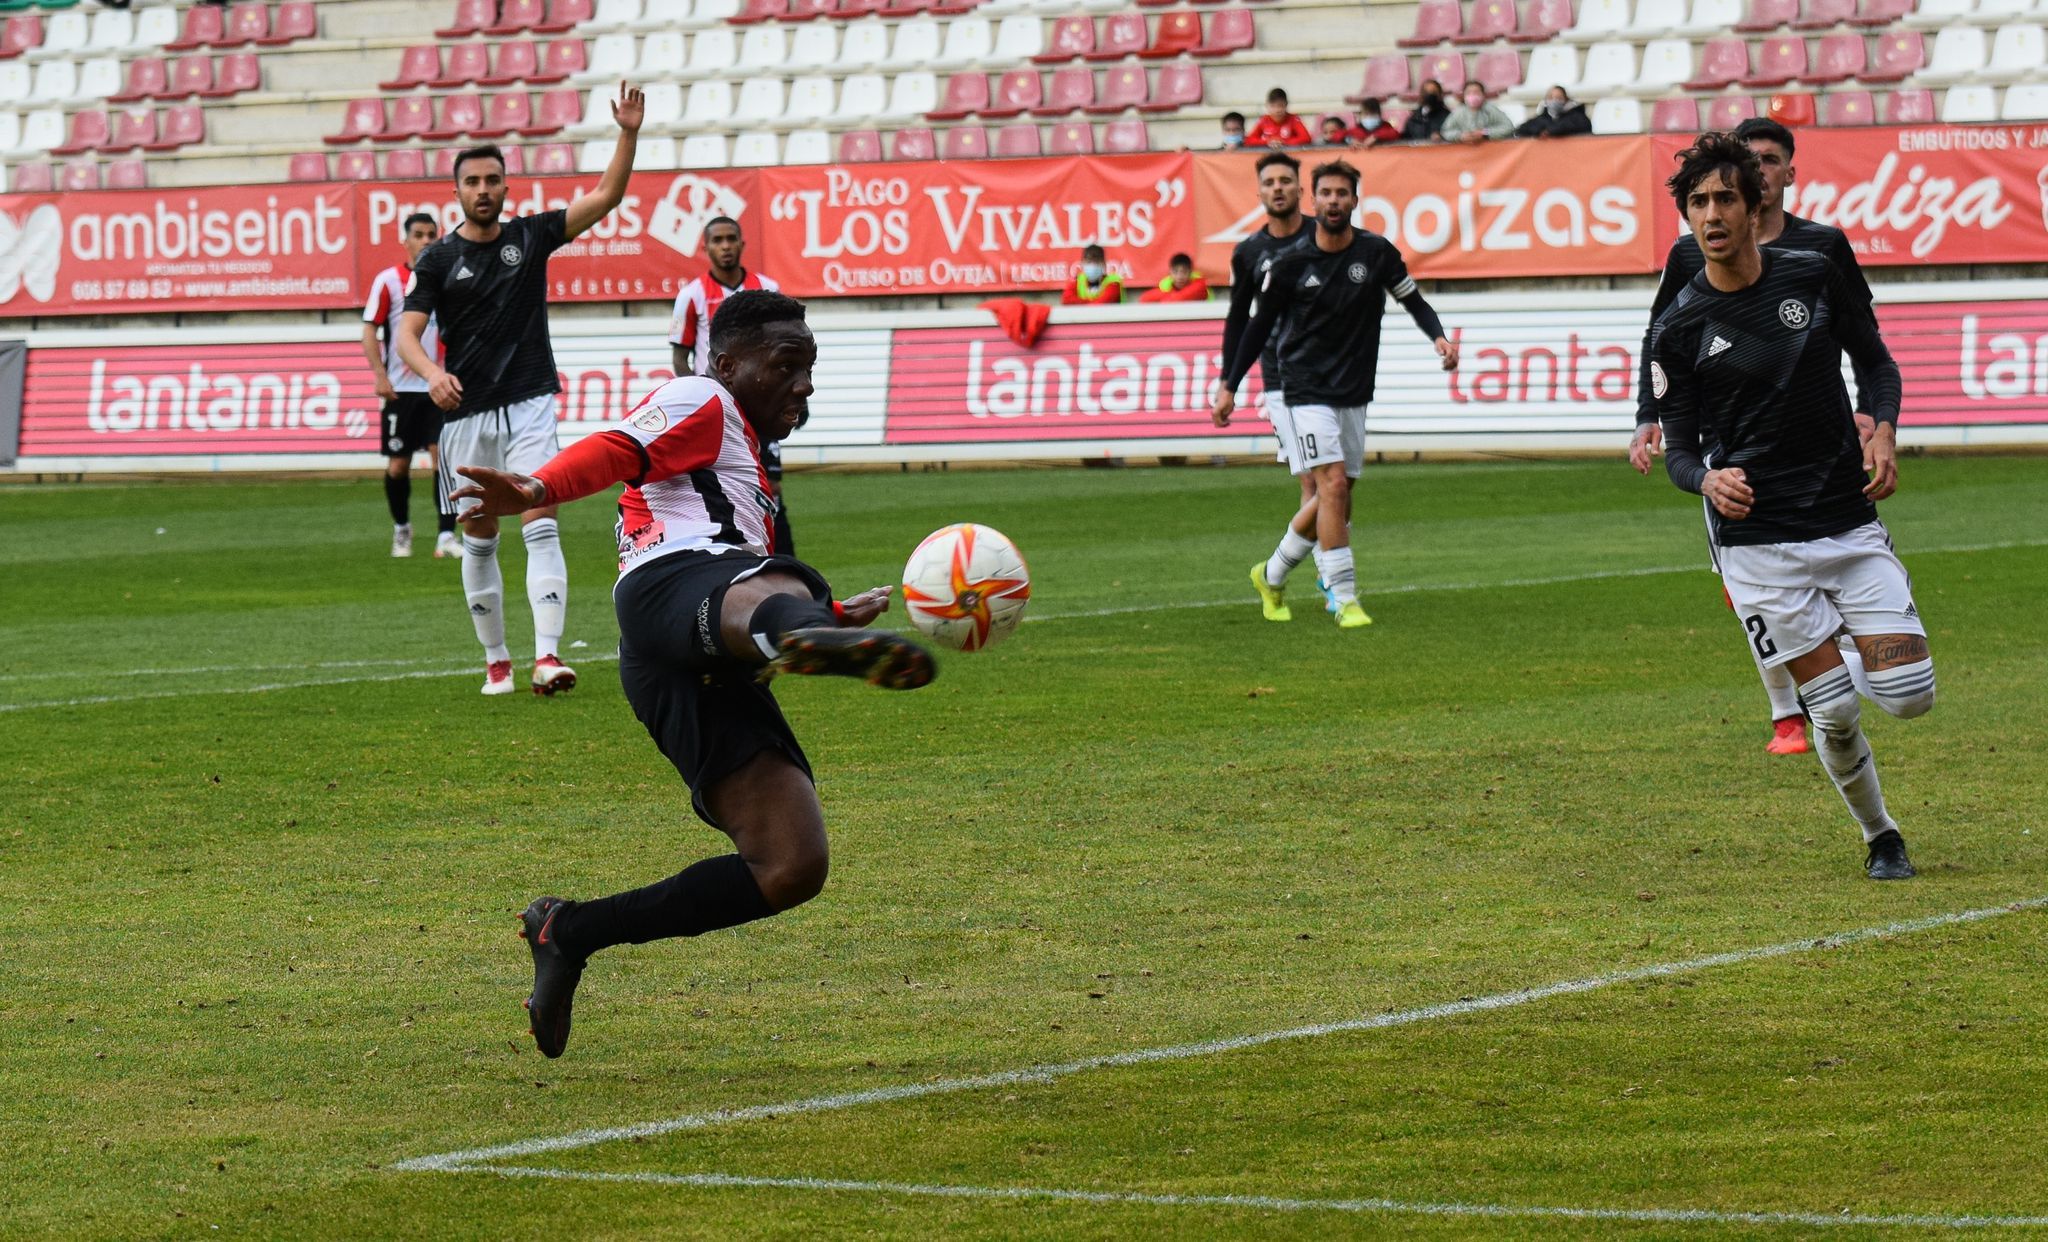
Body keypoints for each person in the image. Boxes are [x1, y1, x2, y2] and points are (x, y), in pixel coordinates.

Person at [445, 290, 938, 1058]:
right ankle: (802, 634)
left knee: (791, 864)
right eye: (788, 366)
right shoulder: (700, 397)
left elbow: (753, 575)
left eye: (810, 368)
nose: (804, 385)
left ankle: (567, 930)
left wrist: (830, 614)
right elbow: (617, 450)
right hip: (669, 591)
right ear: (730, 364)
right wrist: (538, 490)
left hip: (692, 656)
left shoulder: (754, 476)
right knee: (786, 584)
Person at [1649, 131, 1925, 881]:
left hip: (1845, 516)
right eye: (1698, 201)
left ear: (1755, 202)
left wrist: (1886, 431)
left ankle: (1833, 648)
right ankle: (1881, 835)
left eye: (1725, 198)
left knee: (1908, 694)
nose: (1712, 213)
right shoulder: (1676, 327)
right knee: (1832, 716)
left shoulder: (1814, 270)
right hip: (1758, 542)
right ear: (1688, 215)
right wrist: (1704, 479)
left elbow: (1875, 360)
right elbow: (1677, 449)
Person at [1630, 117, 1882, 756]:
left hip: (1821, 461)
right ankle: (1786, 713)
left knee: (1862, 642)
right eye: (1700, 200)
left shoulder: (1820, 251)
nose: (1759, 171)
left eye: (1769, 161)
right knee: (1747, 586)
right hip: (1728, 454)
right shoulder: (1691, 255)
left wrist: (1874, 419)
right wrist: (1649, 416)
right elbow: (1659, 341)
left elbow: (1866, 348)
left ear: (1783, 176)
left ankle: (1834, 671)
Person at [398, 83, 644, 697]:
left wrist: (628, 132)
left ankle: (547, 657)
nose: (483, 190)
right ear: (456, 192)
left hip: (532, 400)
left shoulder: (529, 238)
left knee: (541, 520)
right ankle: (497, 661)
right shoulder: (435, 261)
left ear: (507, 188)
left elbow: (607, 196)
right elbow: (406, 335)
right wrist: (432, 375)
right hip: (467, 418)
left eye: (492, 180)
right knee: (480, 537)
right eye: (472, 182)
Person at [1214, 160, 1459, 629]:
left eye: (1341, 193)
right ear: (1315, 199)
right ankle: (1343, 595)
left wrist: (1439, 338)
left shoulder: (1378, 253)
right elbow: (1254, 326)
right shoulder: (1286, 265)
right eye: (1325, 193)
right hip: (1299, 389)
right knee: (1328, 486)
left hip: (1353, 390)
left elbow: (1414, 300)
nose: (1332, 201)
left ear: (1353, 200)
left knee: (1339, 494)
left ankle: (1273, 572)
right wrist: (1230, 383)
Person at [1214, 150, 1330, 621]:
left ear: (1301, 190)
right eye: (1270, 182)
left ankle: (1284, 572)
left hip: (1332, 373)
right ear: (1260, 192)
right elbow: (1239, 319)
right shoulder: (1249, 253)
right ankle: (1329, 576)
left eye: (1286, 180)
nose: (1278, 188)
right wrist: (1229, 382)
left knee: (1329, 481)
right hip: (1282, 378)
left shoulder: (1324, 237)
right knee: (1318, 479)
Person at [670, 216, 793, 553]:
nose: (725, 246)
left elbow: (786, 345)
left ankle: (778, 553)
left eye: (731, 239)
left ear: (742, 243)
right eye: (718, 240)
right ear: (707, 247)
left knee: (772, 482)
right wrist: (695, 396)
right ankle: (733, 550)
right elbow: (680, 356)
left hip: (761, 403)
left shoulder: (767, 288)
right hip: (718, 408)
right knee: (724, 480)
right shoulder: (692, 295)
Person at [362, 211, 461, 560]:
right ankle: (402, 528)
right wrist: (379, 374)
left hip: (441, 386)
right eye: (418, 234)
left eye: (431, 235)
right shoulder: (388, 281)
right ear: (405, 240)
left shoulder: (450, 279)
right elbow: (370, 329)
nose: (425, 241)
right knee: (397, 466)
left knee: (443, 460)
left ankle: (446, 536)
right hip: (401, 390)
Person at [1439, 81, 1514, 144]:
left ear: (1483, 94)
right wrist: (1460, 136)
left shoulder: (1491, 110)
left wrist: (1485, 133)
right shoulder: (1458, 112)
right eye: (1469, 92)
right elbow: (1446, 131)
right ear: (1464, 96)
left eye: (1476, 92)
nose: (1472, 95)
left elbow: (1508, 127)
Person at [1514, 85, 1591, 139]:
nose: (1554, 101)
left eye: (1559, 98)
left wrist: (1551, 131)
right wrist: (1539, 131)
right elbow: (1521, 130)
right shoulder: (1543, 118)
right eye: (1551, 98)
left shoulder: (1577, 116)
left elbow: (1584, 126)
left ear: (1566, 100)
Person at [1246, 88, 1312, 148]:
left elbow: (1306, 138)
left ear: (1286, 105)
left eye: (1280, 105)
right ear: (1267, 106)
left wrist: (1284, 142)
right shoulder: (1263, 120)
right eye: (1273, 106)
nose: (1277, 110)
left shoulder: (1294, 119)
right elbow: (1249, 140)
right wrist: (1268, 142)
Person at [1138, 253, 1211, 303]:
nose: (1180, 276)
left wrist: (1165, 297)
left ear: (1190, 272)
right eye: (1176, 272)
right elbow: (1144, 298)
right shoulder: (1166, 287)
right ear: (1170, 273)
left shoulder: (1200, 285)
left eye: (1184, 272)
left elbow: (1177, 299)